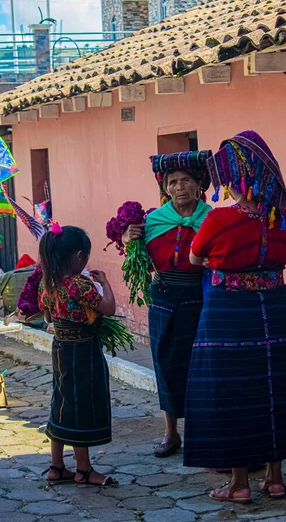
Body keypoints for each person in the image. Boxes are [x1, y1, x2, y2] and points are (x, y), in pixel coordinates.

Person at [183, 131, 286, 504]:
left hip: (227, 312)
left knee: (231, 391)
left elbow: (195, 259)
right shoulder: (283, 217)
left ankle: (239, 483)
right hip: (275, 311)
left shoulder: (219, 220)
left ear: (236, 176)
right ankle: (275, 479)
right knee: (272, 390)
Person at [122, 150, 212, 457]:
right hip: (162, 297)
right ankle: (171, 432)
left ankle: (200, 432)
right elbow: (143, 262)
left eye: (186, 180)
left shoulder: (212, 219)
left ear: (200, 185)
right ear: (165, 188)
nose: (179, 187)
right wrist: (129, 241)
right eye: (172, 181)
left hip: (200, 299)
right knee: (164, 361)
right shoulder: (154, 222)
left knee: (198, 364)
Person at [38, 223, 118, 486]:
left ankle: (56, 466)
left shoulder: (46, 283)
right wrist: (104, 282)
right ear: (79, 257)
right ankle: (84, 470)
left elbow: (48, 316)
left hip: (60, 348)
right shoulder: (79, 284)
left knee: (61, 399)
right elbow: (107, 308)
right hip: (83, 350)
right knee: (80, 403)